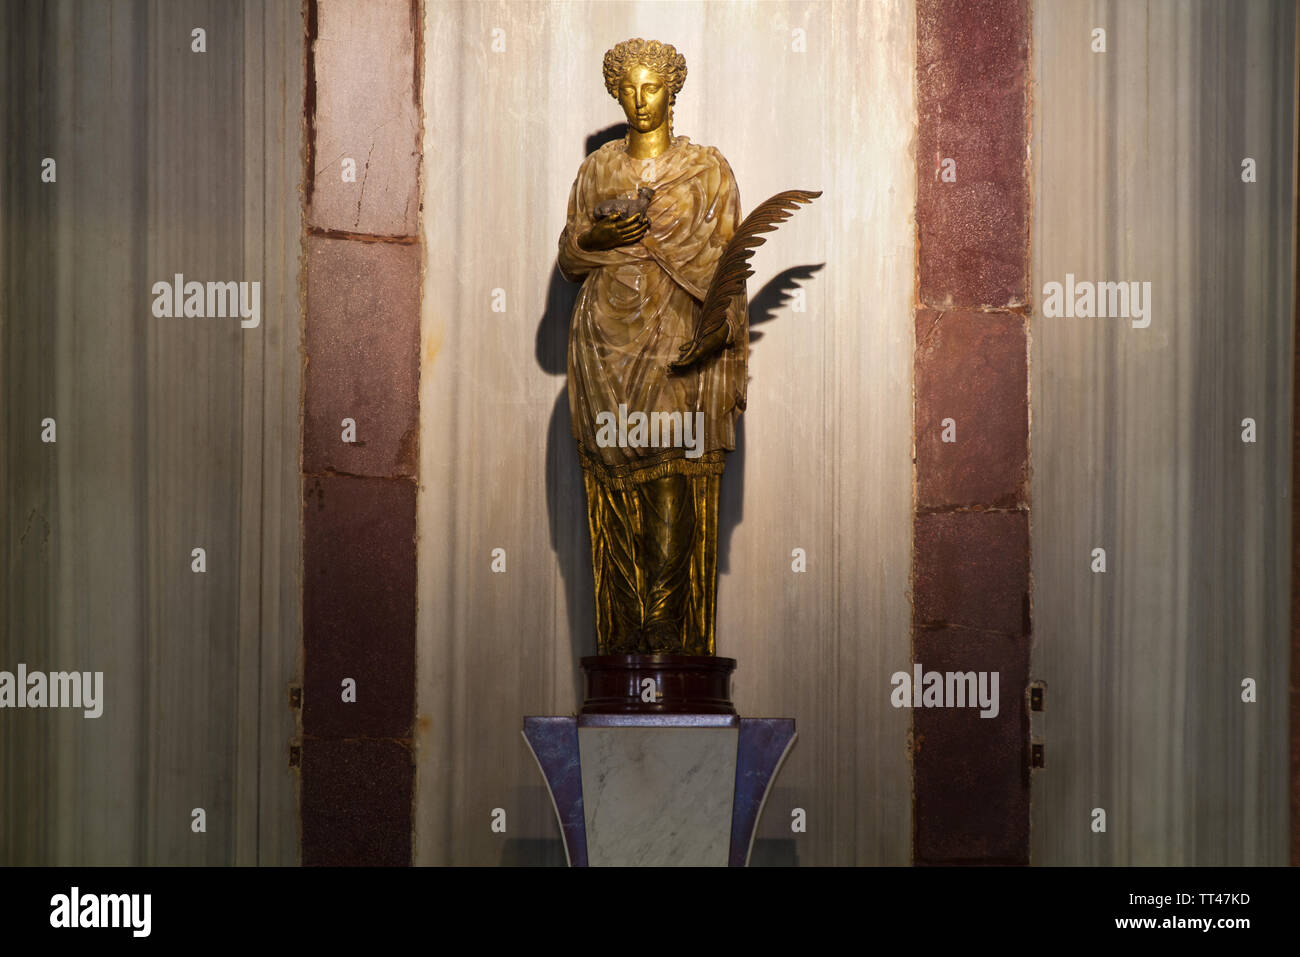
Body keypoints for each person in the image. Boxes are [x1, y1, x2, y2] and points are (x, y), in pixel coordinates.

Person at [557, 38, 748, 656]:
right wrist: (597, 234)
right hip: (604, 341)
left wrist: (716, 331)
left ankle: (665, 624)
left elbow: (727, 267)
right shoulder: (597, 170)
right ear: (617, 91)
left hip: (674, 338)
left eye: (653, 88)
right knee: (616, 483)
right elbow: (568, 257)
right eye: (630, 88)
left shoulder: (708, 170)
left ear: (673, 91)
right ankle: (622, 631)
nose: (641, 101)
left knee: (671, 476)